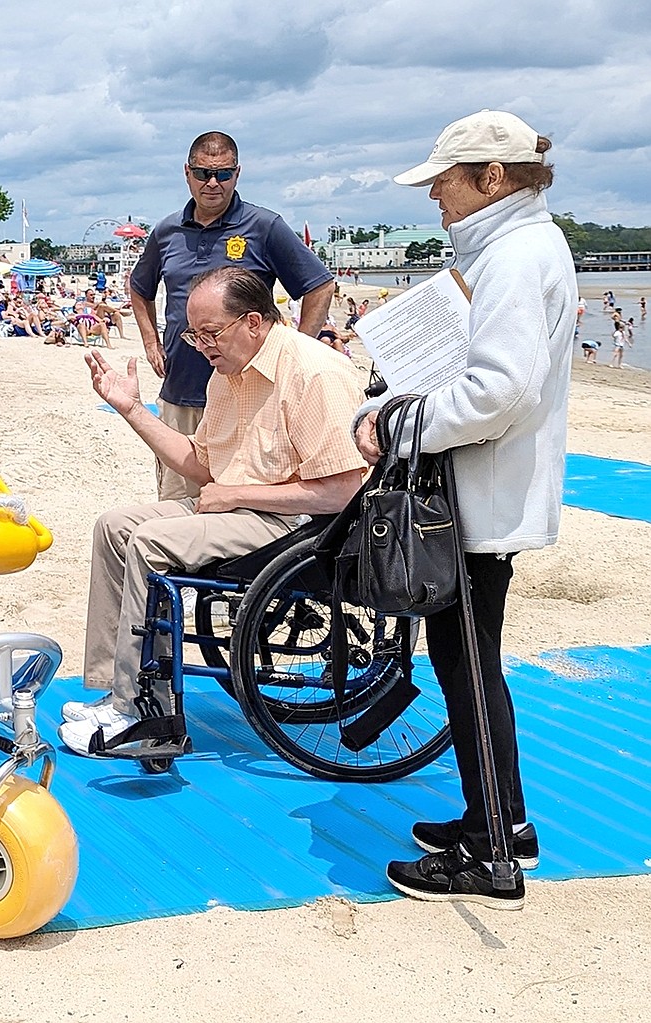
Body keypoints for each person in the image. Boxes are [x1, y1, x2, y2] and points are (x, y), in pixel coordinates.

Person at [354, 109, 577, 910]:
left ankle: (491, 856)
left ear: (491, 178)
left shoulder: (514, 257)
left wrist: (398, 419)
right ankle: (502, 821)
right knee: (472, 664)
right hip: (488, 490)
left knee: (470, 669)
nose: (435, 200)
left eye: (443, 183)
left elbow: (499, 391)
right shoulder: (524, 247)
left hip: (477, 501)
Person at [58, 266, 367, 756]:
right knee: (113, 525)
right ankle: (115, 691)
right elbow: (200, 464)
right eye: (193, 334)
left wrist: (236, 496)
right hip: (244, 508)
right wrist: (132, 408)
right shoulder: (229, 371)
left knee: (151, 541)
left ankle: (145, 709)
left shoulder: (315, 372)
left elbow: (341, 492)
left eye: (209, 333)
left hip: (299, 523)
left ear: (253, 322)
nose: (201, 346)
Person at [129, 131, 336, 503]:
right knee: (177, 503)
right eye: (203, 173)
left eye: (223, 174)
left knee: (242, 501)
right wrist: (150, 341)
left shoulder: (264, 226)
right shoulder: (165, 231)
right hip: (184, 389)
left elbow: (319, 286)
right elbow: (139, 287)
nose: (212, 183)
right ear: (187, 173)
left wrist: (299, 351)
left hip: (252, 394)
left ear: (237, 175)